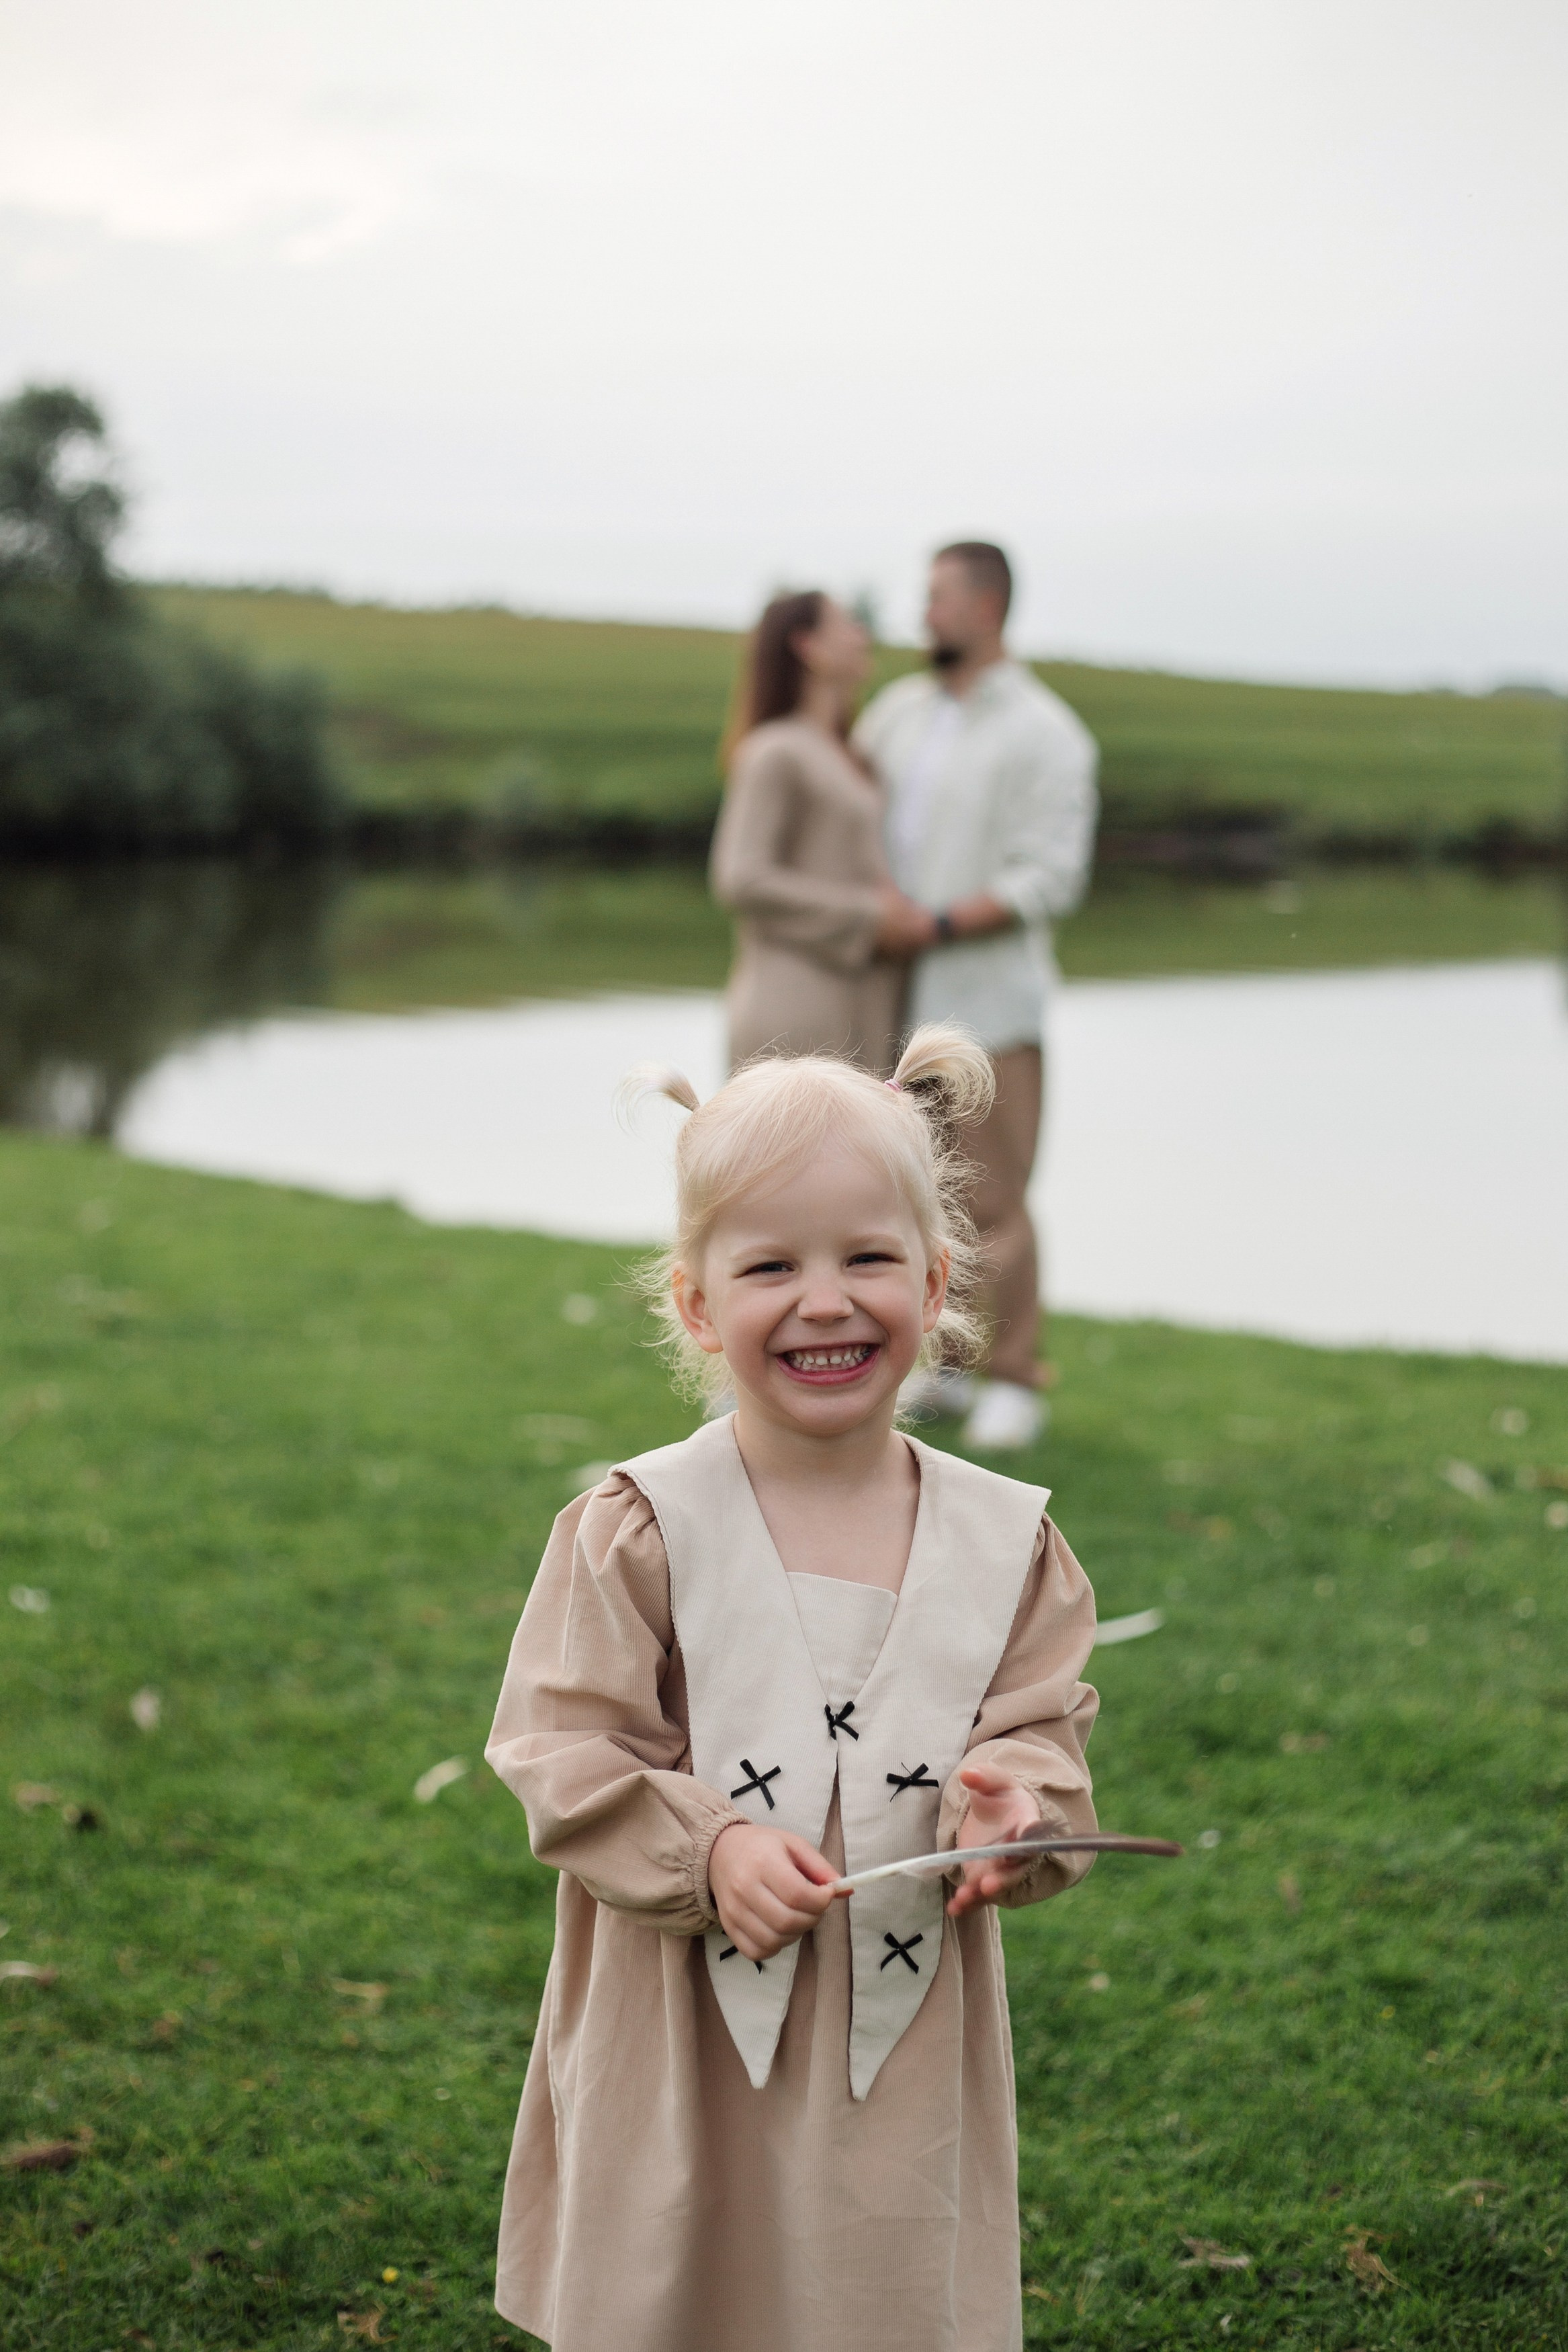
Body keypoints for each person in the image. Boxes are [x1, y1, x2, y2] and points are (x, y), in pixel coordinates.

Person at [486, 1028, 1100, 2352]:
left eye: (869, 1258)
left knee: (873, 2288)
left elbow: (1038, 1739)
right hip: (682, 2032)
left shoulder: (1011, 1546)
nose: (827, 1300)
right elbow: (561, 1748)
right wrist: (707, 1845)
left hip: (899, 2048)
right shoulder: (638, 1527)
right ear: (699, 1303)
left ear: (936, 1284)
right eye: (772, 1265)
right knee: (688, 2291)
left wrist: (1015, 1816)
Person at [853, 542, 1099, 1453]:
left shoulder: (1045, 732)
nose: (925, 616)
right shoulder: (896, 714)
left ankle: (1016, 1378)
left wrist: (939, 924)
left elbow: (1048, 879)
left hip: (987, 1004)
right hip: (889, 1003)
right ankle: (945, 1371)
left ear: (987, 606)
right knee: (915, 1199)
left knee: (996, 1199)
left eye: (940, 599)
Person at [709, 589, 931, 1073]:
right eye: (847, 626)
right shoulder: (775, 752)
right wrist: (871, 918)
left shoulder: (854, 755)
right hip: (796, 1013)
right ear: (808, 646)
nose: (862, 637)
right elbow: (741, 879)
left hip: (862, 1011)